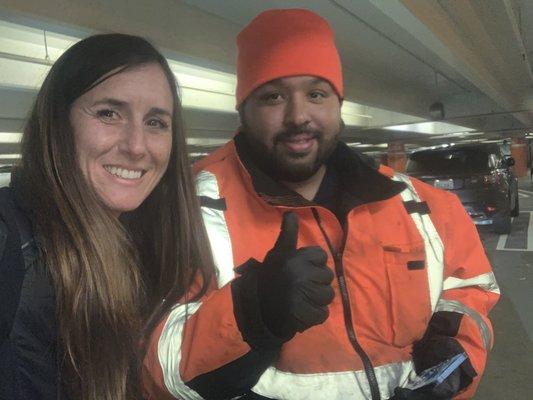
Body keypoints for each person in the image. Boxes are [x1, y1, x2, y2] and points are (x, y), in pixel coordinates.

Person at [142, 9, 499, 400]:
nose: (298, 117)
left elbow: (468, 292)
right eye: (273, 96)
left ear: (337, 103)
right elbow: (155, 366)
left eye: (316, 94)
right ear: (243, 110)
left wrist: (450, 361)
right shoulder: (184, 209)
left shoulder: (422, 206)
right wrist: (250, 314)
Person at [0, 34, 214, 399]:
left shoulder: (147, 247)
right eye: (108, 113)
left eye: (156, 122)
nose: (136, 146)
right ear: (58, 124)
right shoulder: (10, 241)